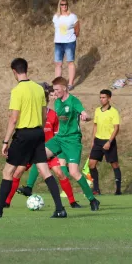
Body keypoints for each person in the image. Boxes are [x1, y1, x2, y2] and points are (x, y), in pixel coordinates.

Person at [0, 58, 67, 218]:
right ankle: (60, 209)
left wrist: (5, 141)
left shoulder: (17, 91)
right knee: (45, 171)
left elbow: (13, 119)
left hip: (23, 135)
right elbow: (44, 115)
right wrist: (39, 130)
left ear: (14, 71)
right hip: (38, 134)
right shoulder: (39, 89)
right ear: (27, 69)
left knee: (8, 171)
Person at [10, 86, 81, 208]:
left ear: (46, 101)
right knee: (17, 172)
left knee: (60, 173)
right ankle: (6, 202)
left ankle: (72, 202)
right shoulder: (31, 115)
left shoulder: (53, 115)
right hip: (32, 150)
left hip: (50, 151)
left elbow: (58, 135)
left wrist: (57, 151)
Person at [45, 76, 101, 211]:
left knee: (74, 172)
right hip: (59, 139)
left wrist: (85, 116)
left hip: (72, 141)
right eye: (54, 90)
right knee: (39, 155)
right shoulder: (57, 102)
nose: (55, 92)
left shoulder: (74, 101)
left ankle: (92, 200)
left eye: (57, 89)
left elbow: (85, 114)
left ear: (65, 88)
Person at [88, 89, 122, 195]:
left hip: (109, 141)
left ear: (109, 98)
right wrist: (93, 140)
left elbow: (116, 128)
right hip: (98, 141)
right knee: (91, 165)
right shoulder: (97, 110)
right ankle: (96, 189)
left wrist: (109, 141)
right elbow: (95, 125)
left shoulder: (114, 112)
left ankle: (118, 190)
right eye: (100, 97)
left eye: (104, 97)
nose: (101, 99)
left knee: (114, 164)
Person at [53, 0, 80, 90]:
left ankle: (70, 83)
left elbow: (77, 27)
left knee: (70, 62)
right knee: (58, 63)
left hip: (69, 43)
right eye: (62, 4)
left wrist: (74, 36)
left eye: (65, 4)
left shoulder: (72, 16)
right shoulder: (56, 17)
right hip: (58, 43)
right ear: (59, 5)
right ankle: (57, 83)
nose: (64, 6)